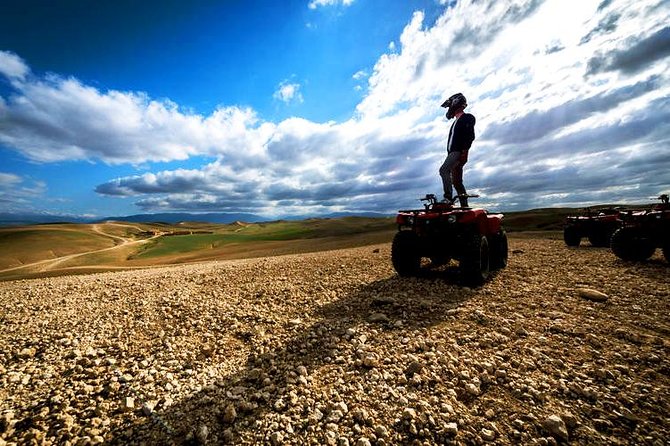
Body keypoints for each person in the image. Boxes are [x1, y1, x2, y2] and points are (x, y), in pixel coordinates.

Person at [439, 92, 475, 207]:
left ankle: (448, 198)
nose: (449, 109)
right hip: (453, 152)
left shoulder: (467, 117)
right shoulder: (455, 122)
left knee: (444, 170)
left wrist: (465, 151)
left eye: (450, 106)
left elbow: (469, 135)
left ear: (456, 103)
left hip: (457, 151)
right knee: (457, 182)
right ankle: (464, 206)